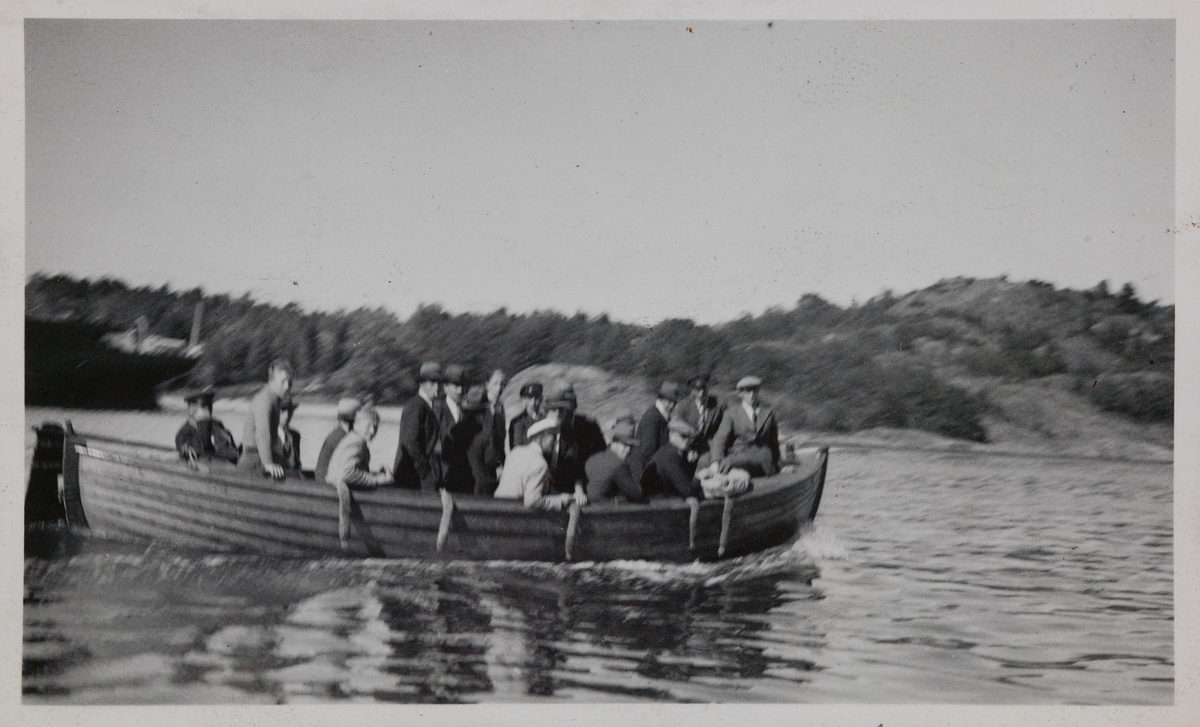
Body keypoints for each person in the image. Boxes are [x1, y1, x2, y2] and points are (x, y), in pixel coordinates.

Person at [494, 418, 579, 510]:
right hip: (515, 514)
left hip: (498, 507)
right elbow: (532, 501)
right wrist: (560, 500)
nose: (555, 442)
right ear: (540, 437)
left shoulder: (516, 451)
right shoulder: (540, 463)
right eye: (553, 437)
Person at [709, 375, 780, 477]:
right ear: (740, 394)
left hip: (763, 458)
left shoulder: (768, 413)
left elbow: (774, 442)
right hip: (740, 456)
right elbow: (720, 438)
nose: (752, 394)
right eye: (748, 391)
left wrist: (778, 463)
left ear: (758, 391)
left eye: (754, 390)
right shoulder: (731, 413)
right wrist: (715, 461)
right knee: (723, 466)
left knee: (729, 464)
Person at [543, 384, 606, 499]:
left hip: (580, 482)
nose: (562, 412)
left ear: (575, 405)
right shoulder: (547, 426)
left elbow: (600, 455)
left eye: (569, 404)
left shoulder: (589, 425)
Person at [393, 362, 445, 492]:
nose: (437, 387)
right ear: (422, 383)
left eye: (439, 383)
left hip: (418, 477)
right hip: (413, 478)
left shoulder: (425, 406)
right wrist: (426, 472)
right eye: (432, 382)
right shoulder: (417, 406)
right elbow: (411, 442)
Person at [238, 359, 293, 479]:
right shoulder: (265, 400)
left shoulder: (274, 399)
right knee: (291, 477)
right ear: (272, 381)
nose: (287, 386)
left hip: (260, 457)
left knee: (294, 474)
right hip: (253, 459)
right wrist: (268, 463)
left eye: (289, 382)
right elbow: (262, 433)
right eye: (283, 381)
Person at [325, 405, 393, 490]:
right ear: (356, 425)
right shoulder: (357, 442)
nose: (372, 431)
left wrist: (377, 475)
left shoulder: (353, 438)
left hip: (334, 488)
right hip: (338, 493)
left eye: (375, 427)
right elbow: (347, 473)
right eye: (368, 426)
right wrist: (376, 480)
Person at [629, 381, 683, 482]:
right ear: (662, 399)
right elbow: (647, 451)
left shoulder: (660, 415)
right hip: (644, 473)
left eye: (675, 402)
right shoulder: (652, 417)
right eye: (671, 401)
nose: (673, 405)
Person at [584, 416, 646, 504]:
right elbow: (637, 493)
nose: (628, 450)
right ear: (614, 443)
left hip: (589, 506)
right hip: (605, 511)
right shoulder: (619, 465)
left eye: (630, 447)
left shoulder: (594, 458)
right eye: (624, 445)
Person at [641, 419, 704, 499]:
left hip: (663, 498)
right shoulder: (669, 457)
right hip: (655, 502)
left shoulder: (674, 451)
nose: (688, 441)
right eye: (684, 436)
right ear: (672, 435)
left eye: (691, 438)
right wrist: (699, 476)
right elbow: (688, 491)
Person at [436, 364, 474, 493]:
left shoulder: (467, 413)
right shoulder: (437, 410)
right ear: (446, 387)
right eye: (456, 386)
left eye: (463, 386)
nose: (460, 391)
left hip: (462, 478)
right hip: (442, 477)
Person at [175, 389, 239, 465]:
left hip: (225, 467)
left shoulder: (216, 425)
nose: (208, 412)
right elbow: (198, 455)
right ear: (191, 409)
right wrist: (202, 424)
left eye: (210, 407)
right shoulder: (184, 433)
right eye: (204, 408)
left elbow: (228, 448)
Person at [674, 374, 726, 466]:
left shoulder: (718, 404)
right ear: (692, 391)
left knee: (706, 461)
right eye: (698, 390)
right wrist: (688, 450)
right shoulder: (684, 405)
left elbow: (723, 429)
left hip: (711, 445)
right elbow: (676, 428)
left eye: (704, 389)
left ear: (708, 388)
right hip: (689, 444)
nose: (702, 393)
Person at [314, 397, 362, 485]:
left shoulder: (340, 433)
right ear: (354, 417)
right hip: (328, 484)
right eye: (359, 414)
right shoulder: (341, 437)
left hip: (328, 480)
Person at [462, 385, 498, 496]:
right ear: (482, 413)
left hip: (460, 483)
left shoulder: (457, 430)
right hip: (481, 485)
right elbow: (491, 460)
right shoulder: (486, 434)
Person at [507, 382, 543, 450]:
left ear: (541, 399)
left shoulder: (545, 419)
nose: (533, 402)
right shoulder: (517, 422)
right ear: (524, 400)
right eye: (530, 398)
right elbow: (516, 448)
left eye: (536, 397)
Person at [484, 369, 507, 471]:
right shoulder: (482, 406)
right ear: (487, 385)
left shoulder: (500, 406)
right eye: (495, 383)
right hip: (485, 460)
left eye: (501, 384)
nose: (499, 388)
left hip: (498, 459)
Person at [273, 396, 302, 475]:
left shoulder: (295, 435)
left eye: (290, 411)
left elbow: (297, 464)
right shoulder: (266, 435)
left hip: (293, 480)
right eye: (282, 411)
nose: (287, 415)